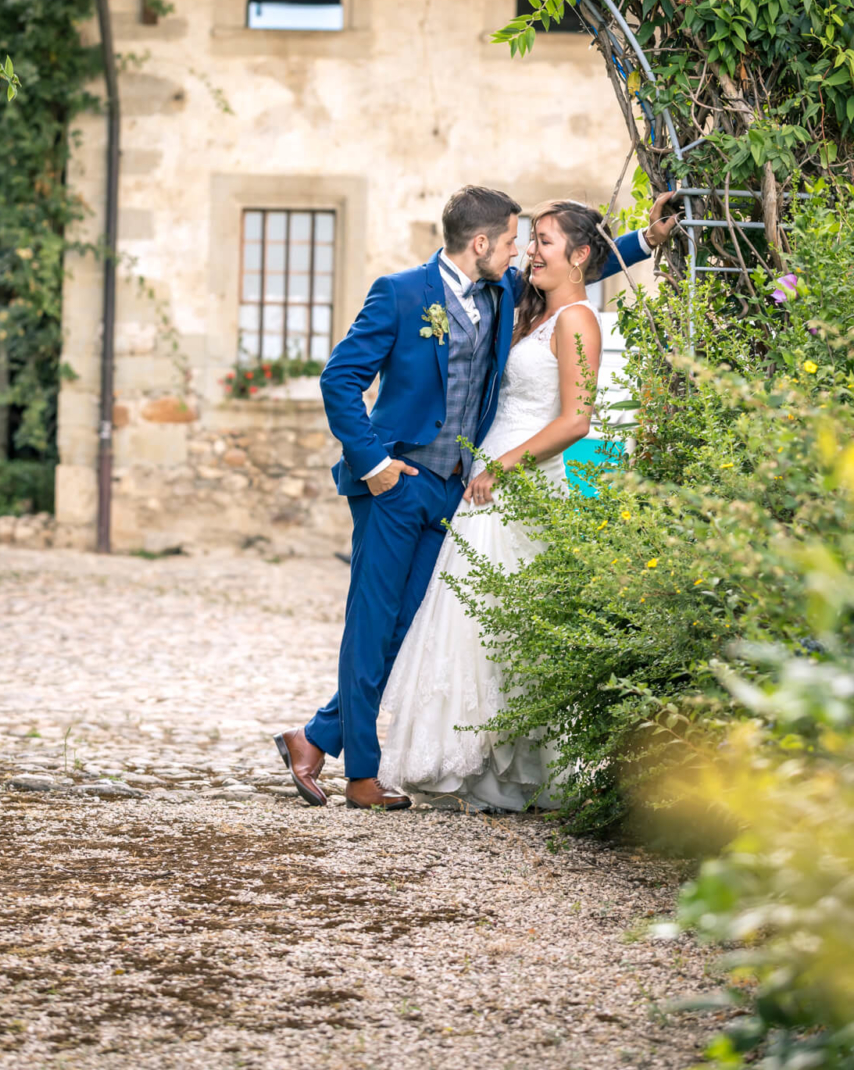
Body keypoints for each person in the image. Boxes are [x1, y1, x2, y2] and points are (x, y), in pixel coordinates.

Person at [274, 185, 678, 810]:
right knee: (375, 623)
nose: (522, 255)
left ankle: (314, 738)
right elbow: (340, 378)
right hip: (397, 481)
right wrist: (375, 465)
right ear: (483, 243)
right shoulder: (407, 292)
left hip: (457, 489)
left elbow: (575, 269)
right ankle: (361, 774)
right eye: (516, 241)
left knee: (414, 630)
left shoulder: (503, 295)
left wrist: (644, 243)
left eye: (531, 243)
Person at [380, 200, 609, 808]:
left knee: (499, 619)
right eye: (530, 241)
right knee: (470, 616)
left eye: (547, 243)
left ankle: (497, 763)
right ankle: (466, 758)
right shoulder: (532, 314)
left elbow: (576, 421)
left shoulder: (579, 321)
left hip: (521, 485)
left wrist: (503, 468)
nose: (532, 252)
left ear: (581, 256)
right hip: (487, 479)